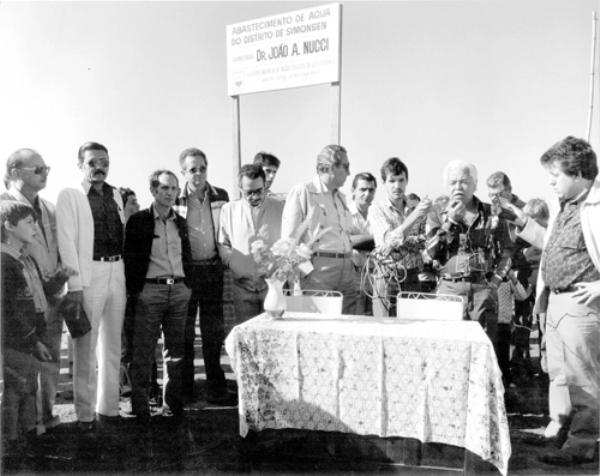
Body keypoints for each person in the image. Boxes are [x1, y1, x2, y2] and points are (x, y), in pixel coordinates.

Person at [510, 137, 600, 465]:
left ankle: (583, 443)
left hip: (581, 306)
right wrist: (522, 222)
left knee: (582, 377)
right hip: (556, 303)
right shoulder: (566, 205)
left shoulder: (597, 206)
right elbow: (549, 246)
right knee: (559, 375)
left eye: (556, 174)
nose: (550, 181)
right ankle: (561, 430)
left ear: (577, 173)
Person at [56, 141, 126, 431]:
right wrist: (75, 284)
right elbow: (67, 241)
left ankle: (108, 408)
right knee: (86, 344)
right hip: (89, 273)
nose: (100, 167)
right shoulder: (70, 196)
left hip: (116, 269)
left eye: (104, 162)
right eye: (93, 162)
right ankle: (85, 415)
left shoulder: (117, 195)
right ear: (80, 165)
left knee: (112, 345)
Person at [1, 149, 64, 432]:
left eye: (46, 167)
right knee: (17, 373)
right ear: (15, 172)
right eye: (37, 169)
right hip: (16, 300)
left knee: (49, 359)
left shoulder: (49, 207)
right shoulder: (4, 207)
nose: (45, 173)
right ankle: (18, 434)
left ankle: (45, 419)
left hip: (49, 294)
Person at [124, 170, 192, 421]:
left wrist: (187, 286)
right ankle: (141, 408)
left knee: (175, 353)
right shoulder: (139, 221)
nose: (171, 193)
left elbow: (187, 257)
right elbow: (130, 259)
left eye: (174, 188)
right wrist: (138, 291)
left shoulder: (180, 222)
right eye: (165, 188)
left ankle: (171, 406)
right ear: (153, 191)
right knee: (143, 351)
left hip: (178, 292)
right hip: (150, 291)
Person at [426, 160, 510, 345]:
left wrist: (495, 281)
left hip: (483, 290)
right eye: (453, 182)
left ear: (475, 184)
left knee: (484, 347)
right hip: (450, 289)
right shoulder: (436, 214)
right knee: (448, 346)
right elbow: (430, 252)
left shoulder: (492, 214)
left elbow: (507, 253)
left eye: (464, 181)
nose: (458, 187)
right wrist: (450, 222)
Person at [173, 147, 231, 405]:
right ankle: (186, 387)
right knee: (185, 333)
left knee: (212, 331)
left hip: (212, 270)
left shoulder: (221, 195)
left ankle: (215, 385)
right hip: (186, 273)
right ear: (183, 172)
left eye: (202, 168)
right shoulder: (174, 198)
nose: (198, 174)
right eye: (192, 169)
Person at [281, 145, 357, 314]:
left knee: (349, 324)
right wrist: (299, 273)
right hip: (318, 270)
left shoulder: (341, 198)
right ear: (330, 167)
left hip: (346, 268)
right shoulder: (304, 192)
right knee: (319, 324)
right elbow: (289, 240)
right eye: (345, 166)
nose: (349, 172)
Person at [218, 164, 284, 323]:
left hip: (273, 287)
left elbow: (289, 242)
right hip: (242, 287)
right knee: (246, 340)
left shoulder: (281, 207)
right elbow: (223, 243)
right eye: (249, 192)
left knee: (273, 337)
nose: (254, 196)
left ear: (265, 186)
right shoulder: (228, 210)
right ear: (240, 188)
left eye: (259, 191)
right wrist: (235, 265)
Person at [368, 158, 432, 316]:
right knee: (384, 328)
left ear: (407, 181)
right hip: (387, 276)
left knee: (411, 330)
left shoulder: (416, 208)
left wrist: (407, 241)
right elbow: (389, 241)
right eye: (392, 181)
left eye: (401, 180)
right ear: (384, 182)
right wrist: (415, 217)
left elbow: (425, 242)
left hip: (412, 277)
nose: (397, 186)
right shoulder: (376, 209)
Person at [349, 172, 377, 315]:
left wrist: (362, 240)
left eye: (371, 190)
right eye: (363, 189)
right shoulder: (346, 213)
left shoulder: (377, 214)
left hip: (374, 276)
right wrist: (377, 239)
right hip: (354, 275)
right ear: (353, 191)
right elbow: (348, 242)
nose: (367, 194)